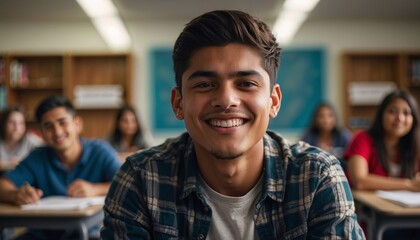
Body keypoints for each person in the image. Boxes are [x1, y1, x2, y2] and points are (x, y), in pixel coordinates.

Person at [101, 10, 364, 239]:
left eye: (246, 84)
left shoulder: (317, 178)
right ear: (178, 102)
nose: (226, 100)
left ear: (273, 100)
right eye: (204, 85)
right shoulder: (141, 179)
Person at [0, 95, 121, 240]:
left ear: (77, 124)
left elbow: (126, 186)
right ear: (42, 133)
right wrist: (16, 194)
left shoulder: (100, 152)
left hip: (90, 233)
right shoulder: (37, 157)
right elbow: (3, 185)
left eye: (62, 122)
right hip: (43, 235)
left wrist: (95, 189)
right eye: (48, 126)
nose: (57, 132)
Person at [344, 90, 420, 240]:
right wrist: (409, 184)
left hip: (409, 215)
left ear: (414, 119)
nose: (400, 118)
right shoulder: (363, 139)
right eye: (392, 111)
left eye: (407, 113)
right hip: (369, 217)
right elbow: (360, 180)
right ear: (381, 115)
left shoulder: (417, 145)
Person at [0, 105, 43, 171]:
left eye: (21, 123)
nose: (16, 128)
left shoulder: (31, 141)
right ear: (3, 124)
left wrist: (24, 163)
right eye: (11, 122)